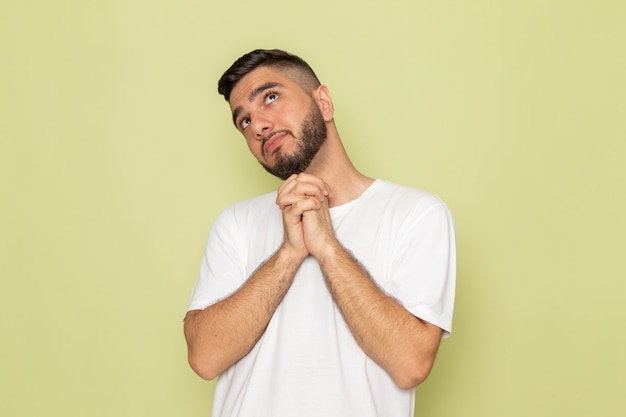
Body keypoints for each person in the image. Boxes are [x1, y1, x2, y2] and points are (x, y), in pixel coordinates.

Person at [183, 49, 456, 417]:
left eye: (271, 97)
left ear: (323, 102)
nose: (258, 125)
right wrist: (288, 255)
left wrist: (327, 247)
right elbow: (204, 357)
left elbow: (410, 364)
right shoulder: (235, 223)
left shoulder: (417, 214)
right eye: (244, 121)